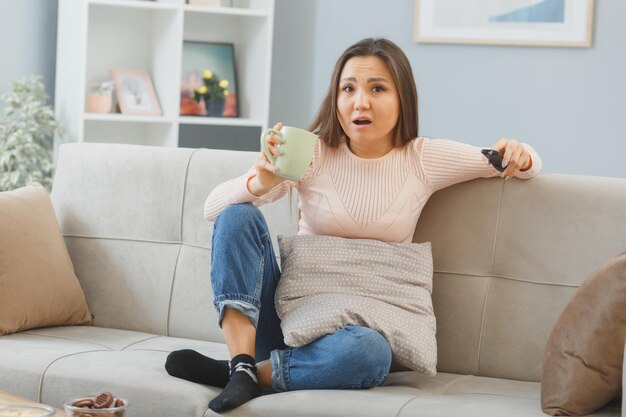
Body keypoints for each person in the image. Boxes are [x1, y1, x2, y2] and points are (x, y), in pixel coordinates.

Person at [164, 37, 542, 413]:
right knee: (238, 213)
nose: (360, 101)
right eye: (348, 89)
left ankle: (245, 375)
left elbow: (512, 164)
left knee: (369, 352)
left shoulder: (423, 158)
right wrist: (260, 182)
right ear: (336, 98)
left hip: (348, 342)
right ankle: (244, 362)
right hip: (285, 323)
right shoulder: (310, 153)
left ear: (402, 99)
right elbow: (214, 209)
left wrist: (522, 156)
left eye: (377, 88)